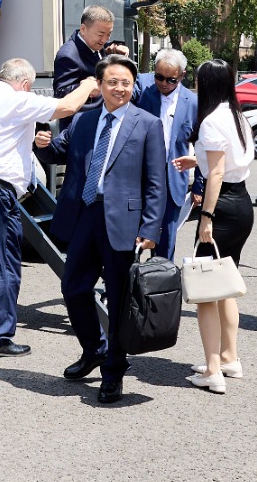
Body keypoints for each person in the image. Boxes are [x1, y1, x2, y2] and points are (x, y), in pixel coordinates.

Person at [37, 54, 166, 405]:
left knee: (120, 299)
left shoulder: (147, 124)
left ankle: (113, 371)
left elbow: (156, 182)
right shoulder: (83, 120)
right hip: (85, 215)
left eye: (126, 83)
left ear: (133, 86)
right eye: (113, 82)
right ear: (100, 85)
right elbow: (58, 153)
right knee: (73, 287)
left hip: (124, 222)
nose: (119, 88)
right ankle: (94, 348)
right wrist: (42, 144)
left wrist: (150, 227)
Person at [0, 58, 97, 357]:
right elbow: (68, 106)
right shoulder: (19, 100)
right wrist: (88, 84)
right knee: (2, 263)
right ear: (25, 84)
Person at [171, 59, 255, 394]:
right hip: (242, 202)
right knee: (224, 283)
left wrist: (206, 216)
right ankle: (229, 357)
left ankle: (212, 369)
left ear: (205, 84)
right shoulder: (238, 116)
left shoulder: (210, 120)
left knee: (206, 290)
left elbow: (217, 173)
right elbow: (226, 161)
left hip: (220, 206)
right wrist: (199, 160)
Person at [134, 48, 200, 260]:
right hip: (141, 180)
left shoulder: (193, 103)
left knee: (166, 244)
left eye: (170, 79)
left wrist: (199, 185)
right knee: (132, 240)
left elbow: (201, 145)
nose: (163, 83)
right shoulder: (144, 94)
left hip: (173, 182)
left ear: (182, 75)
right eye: (159, 77)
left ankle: (161, 279)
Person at [52, 5, 113, 100]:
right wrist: (86, 88)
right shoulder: (68, 56)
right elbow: (60, 93)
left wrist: (116, 46)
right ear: (83, 29)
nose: (105, 40)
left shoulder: (96, 43)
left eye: (109, 34)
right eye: (100, 34)